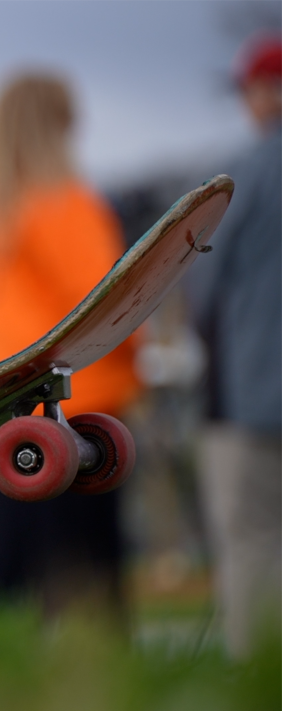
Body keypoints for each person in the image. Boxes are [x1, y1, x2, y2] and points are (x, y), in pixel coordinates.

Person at [0, 73, 140, 618]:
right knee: (87, 577)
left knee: (11, 570)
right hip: (78, 396)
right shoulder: (60, 198)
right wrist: (138, 353)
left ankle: (8, 669)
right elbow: (109, 295)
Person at [184, 34, 282, 659]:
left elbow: (202, 283)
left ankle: (258, 682)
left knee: (252, 541)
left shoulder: (244, 173)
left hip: (251, 393)